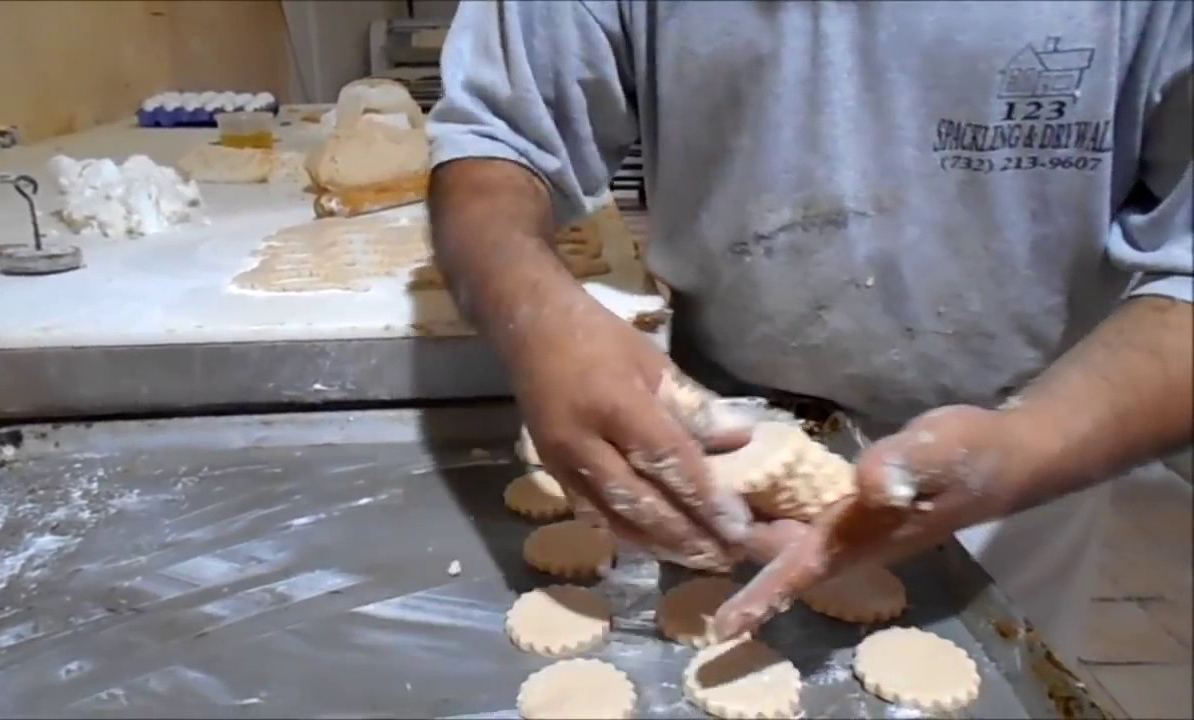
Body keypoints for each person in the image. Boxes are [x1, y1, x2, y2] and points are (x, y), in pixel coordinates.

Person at [425, 0, 1192, 661]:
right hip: (709, 455)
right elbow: (495, 141)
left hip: (1025, 467)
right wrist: (534, 316)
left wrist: (1027, 449)